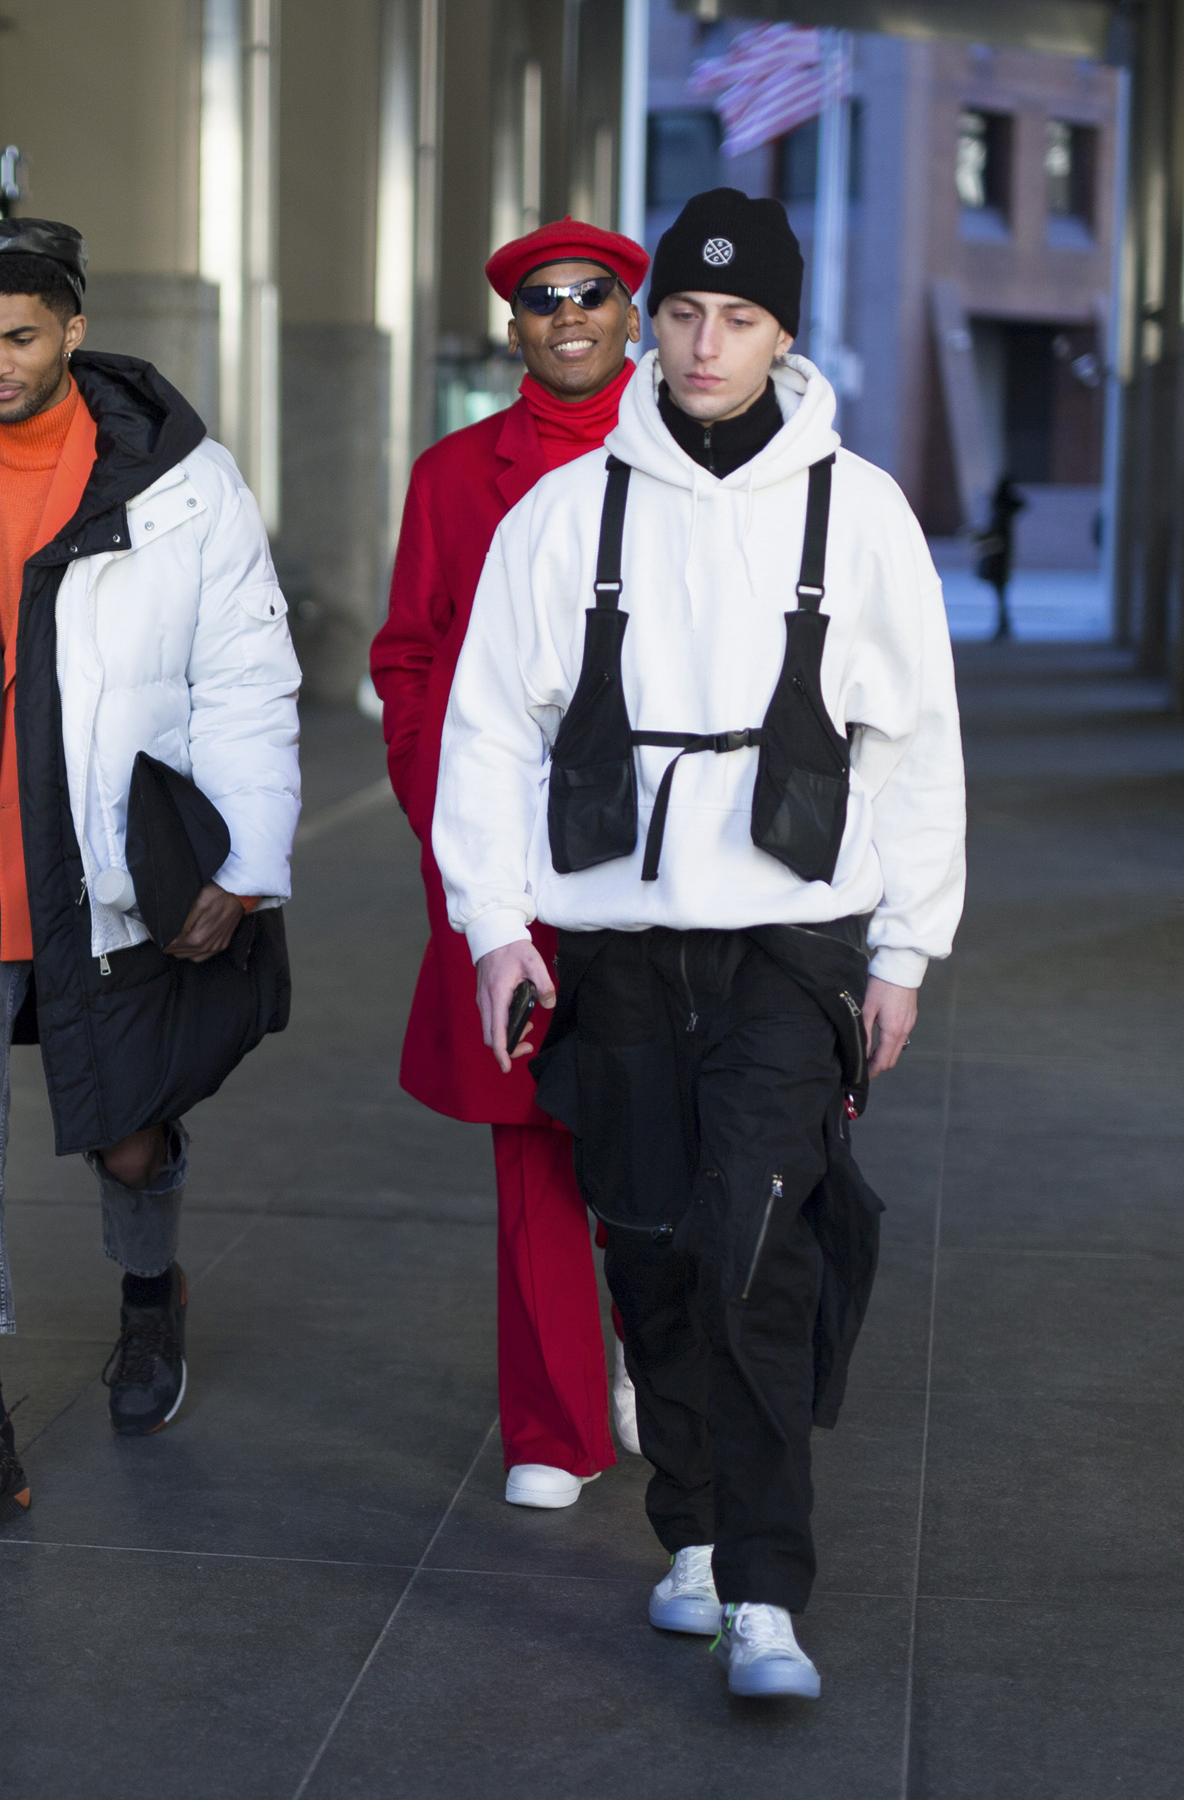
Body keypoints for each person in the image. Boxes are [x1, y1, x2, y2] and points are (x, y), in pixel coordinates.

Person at [434, 188, 965, 1700]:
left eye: (738, 318)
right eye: (681, 314)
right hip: (616, 943)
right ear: (651, 325)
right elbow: (489, 728)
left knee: (758, 1245)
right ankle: (695, 1532)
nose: (705, 345)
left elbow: (917, 742)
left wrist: (907, 950)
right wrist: (494, 925)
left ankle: (766, 1587)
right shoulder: (566, 512)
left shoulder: (859, 511)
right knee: (655, 1247)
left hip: (792, 942)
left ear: (784, 333)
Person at [0, 218, 301, 1552]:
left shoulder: (183, 483)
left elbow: (247, 672)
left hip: (109, 854)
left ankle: (150, 1297)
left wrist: (244, 862)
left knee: (126, 1130)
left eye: (22, 337)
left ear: (75, 331)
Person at [371, 218, 646, 1512]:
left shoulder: (692, 456)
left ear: (633, 314)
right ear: (516, 326)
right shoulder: (453, 474)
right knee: (530, 1132)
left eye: (594, 292)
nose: (569, 313)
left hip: (656, 850)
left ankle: (650, 1349)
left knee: (652, 1117)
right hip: (504, 851)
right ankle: (554, 1423)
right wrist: (441, 801)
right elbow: (408, 655)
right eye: (544, 299)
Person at [977, 474, 1026, 641]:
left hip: (997, 556)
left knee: (1000, 593)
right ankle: (1004, 625)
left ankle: (1003, 625)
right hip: (1000, 556)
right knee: (1001, 593)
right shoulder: (1004, 511)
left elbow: (995, 534)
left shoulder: (1001, 511)